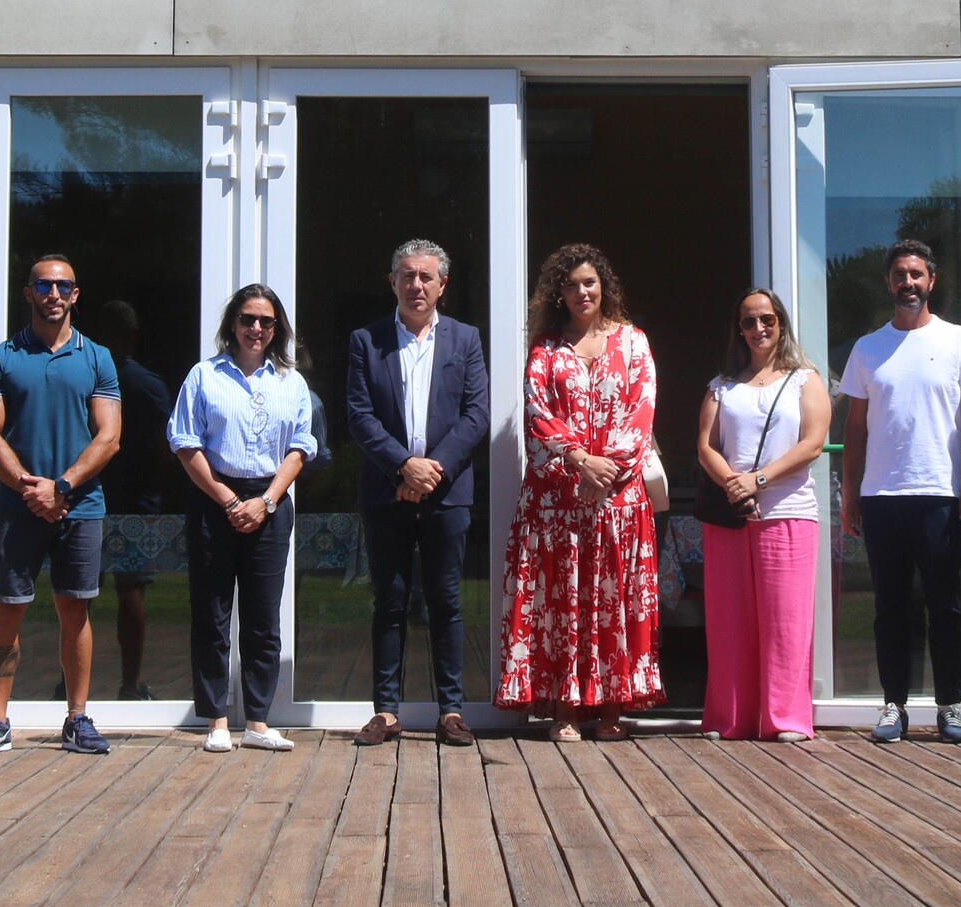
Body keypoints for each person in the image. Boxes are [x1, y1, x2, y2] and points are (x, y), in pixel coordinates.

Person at [495, 243, 662, 741]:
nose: (582, 291)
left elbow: (642, 410)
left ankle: (612, 711)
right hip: (557, 505)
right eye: (571, 285)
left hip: (617, 502)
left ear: (603, 285)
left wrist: (605, 471)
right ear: (558, 293)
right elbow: (538, 413)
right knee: (562, 605)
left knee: (614, 604)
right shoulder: (545, 349)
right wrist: (581, 462)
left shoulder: (634, 343)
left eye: (589, 282)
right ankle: (565, 710)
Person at [0, 255, 122, 758]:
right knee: (9, 607)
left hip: (81, 505)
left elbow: (110, 436)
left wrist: (63, 487)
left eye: (63, 286)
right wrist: (30, 487)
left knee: (75, 609)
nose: (53, 293)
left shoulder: (97, 357)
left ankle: (77, 718)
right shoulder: (2, 357)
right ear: (27, 292)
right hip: (16, 506)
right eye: (44, 285)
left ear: (76, 295)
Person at [838, 239, 961, 746]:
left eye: (917, 274)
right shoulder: (867, 348)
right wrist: (850, 493)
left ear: (932, 281)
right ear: (889, 283)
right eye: (900, 275)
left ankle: (949, 707)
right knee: (889, 606)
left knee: (945, 606)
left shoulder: (959, 341)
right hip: (882, 496)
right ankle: (894, 706)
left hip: (940, 495)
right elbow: (855, 428)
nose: (908, 283)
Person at [345, 239, 491, 748]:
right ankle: (386, 711)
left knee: (446, 602)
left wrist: (433, 470)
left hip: (447, 494)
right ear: (393, 282)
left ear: (442, 285)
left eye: (427, 277)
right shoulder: (368, 339)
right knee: (389, 600)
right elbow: (359, 416)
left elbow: (477, 416)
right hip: (388, 491)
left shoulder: (465, 340)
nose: (417, 285)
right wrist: (403, 467)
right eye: (407, 276)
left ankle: (450, 710)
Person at [171, 285, 317, 752]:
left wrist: (267, 501)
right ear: (232, 323)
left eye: (267, 321)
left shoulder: (290, 381)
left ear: (278, 329)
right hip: (215, 497)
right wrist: (228, 500)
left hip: (270, 502)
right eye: (248, 319)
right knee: (212, 613)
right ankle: (215, 720)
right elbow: (185, 443)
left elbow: (300, 448)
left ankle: (257, 721)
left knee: (262, 616)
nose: (257, 329)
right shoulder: (203, 376)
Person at [696, 289, 833, 743]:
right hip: (732, 516)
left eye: (768, 320)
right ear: (739, 329)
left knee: (786, 622)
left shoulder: (804, 379)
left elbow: (812, 443)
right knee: (728, 620)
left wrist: (759, 479)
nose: (759, 329)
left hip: (788, 513)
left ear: (782, 324)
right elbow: (706, 447)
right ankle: (729, 718)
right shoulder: (722, 385)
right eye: (750, 321)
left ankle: (786, 719)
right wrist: (734, 485)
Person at [90, 298, 173, 701]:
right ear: (134, 335)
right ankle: (130, 684)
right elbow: (165, 447)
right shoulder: (149, 385)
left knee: (79, 592)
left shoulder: (85, 378)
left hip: (90, 492)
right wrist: (154, 485)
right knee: (131, 592)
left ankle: (73, 685)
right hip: (137, 499)